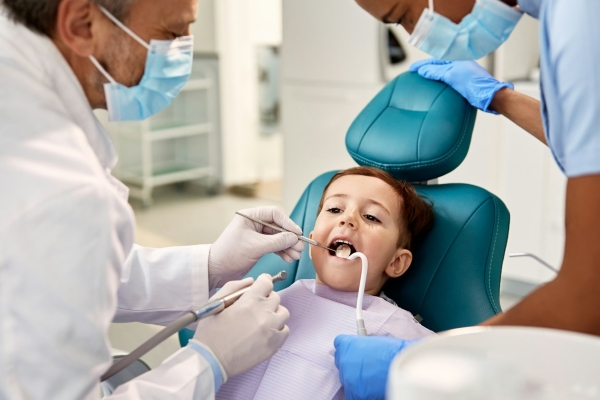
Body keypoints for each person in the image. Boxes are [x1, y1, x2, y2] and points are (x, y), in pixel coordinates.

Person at [0, 0, 305, 398]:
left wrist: (210, 265)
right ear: (81, 23)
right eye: (173, 34)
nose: (185, 53)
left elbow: (50, 269)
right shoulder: (63, 188)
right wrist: (208, 361)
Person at [335, 0, 600, 398]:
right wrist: (500, 98)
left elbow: (589, 292)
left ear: (399, 260)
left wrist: (427, 355)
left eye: (405, 16)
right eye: (333, 207)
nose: (416, 36)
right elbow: (585, 135)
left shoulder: (581, 17)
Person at [215, 167, 435, 400]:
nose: (347, 219)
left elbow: (461, 365)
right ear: (311, 243)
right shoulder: (279, 297)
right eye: (335, 209)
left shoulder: (392, 327)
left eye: (371, 216)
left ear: (396, 262)